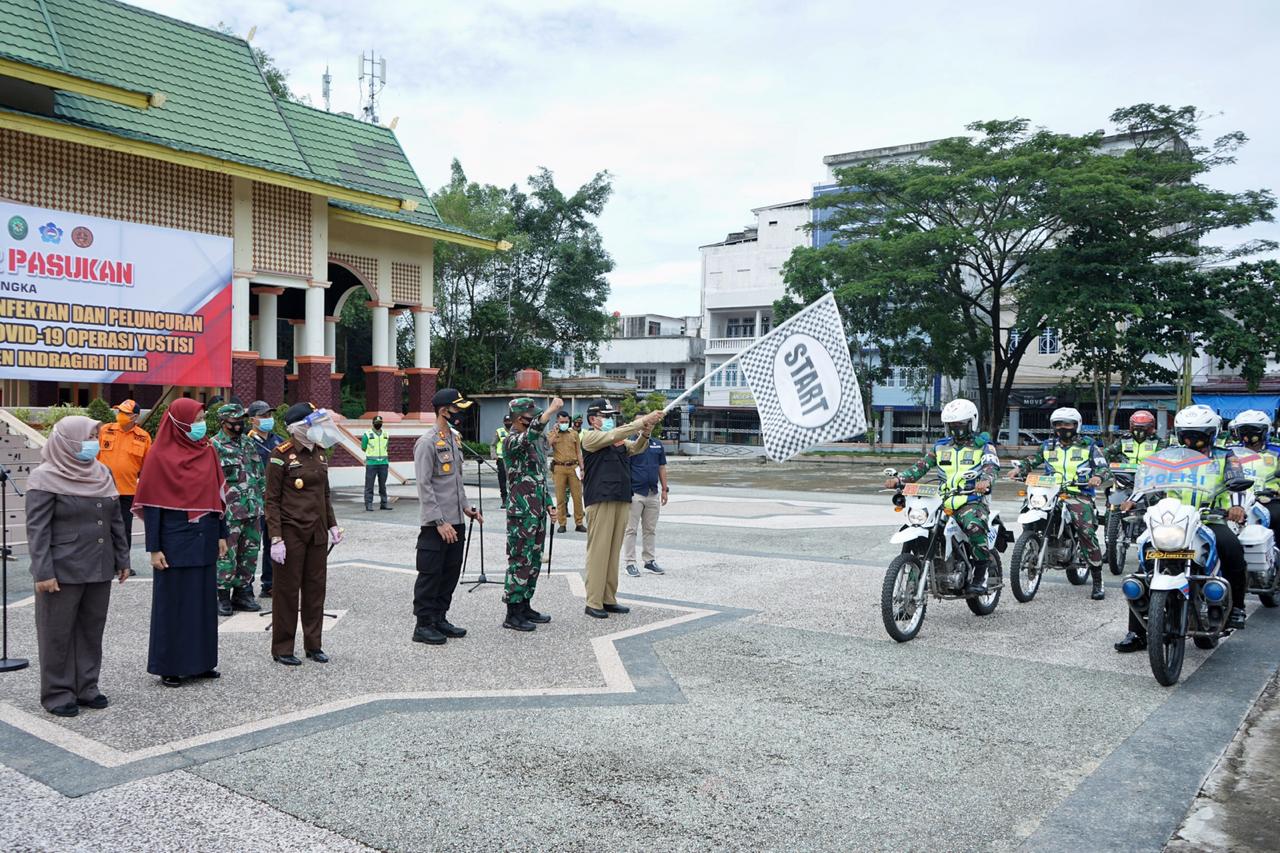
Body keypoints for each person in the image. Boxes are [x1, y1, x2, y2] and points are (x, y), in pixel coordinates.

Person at [1115, 405, 1250, 652]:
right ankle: (1137, 632)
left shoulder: (1225, 456)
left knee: (1232, 549)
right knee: (1146, 562)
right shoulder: (1169, 456)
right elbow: (1148, 480)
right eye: (1187, 434)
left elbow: (1236, 483)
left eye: (1199, 434)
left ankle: (1237, 608)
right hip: (1174, 519)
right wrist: (1133, 500)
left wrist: (1237, 507)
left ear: (1212, 434)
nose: (1191, 439)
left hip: (1210, 519)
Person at [25, 416, 130, 717]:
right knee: (56, 632)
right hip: (62, 568)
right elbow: (38, 530)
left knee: (91, 629)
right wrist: (43, 571)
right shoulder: (44, 477)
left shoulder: (102, 472)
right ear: (67, 441)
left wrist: (122, 558)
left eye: (95, 436)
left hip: (99, 564)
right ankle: (57, 693)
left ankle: (87, 686)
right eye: (89, 437)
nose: (94, 443)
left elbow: (115, 520)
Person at [134, 397, 227, 688]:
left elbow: (217, 497)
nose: (201, 425)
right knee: (172, 604)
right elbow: (153, 507)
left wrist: (221, 534)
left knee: (202, 604)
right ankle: (170, 665)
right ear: (179, 423)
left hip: (205, 537)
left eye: (202, 419)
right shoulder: (159, 456)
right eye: (196, 420)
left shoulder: (207, 451)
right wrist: (154, 548)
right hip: (174, 542)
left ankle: (202, 662)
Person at [885, 399, 1000, 595]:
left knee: (973, 526)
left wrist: (985, 481)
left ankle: (980, 576)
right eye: (951, 424)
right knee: (919, 524)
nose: (955, 428)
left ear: (971, 422)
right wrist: (900, 479)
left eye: (959, 423)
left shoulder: (983, 446)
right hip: (941, 499)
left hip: (970, 500)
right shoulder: (940, 446)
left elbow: (991, 467)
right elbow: (920, 467)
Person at [265, 403, 343, 665]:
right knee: (287, 592)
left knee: (315, 590)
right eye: (312, 423)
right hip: (291, 532)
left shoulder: (320, 453)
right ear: (298, 428)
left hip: (317, 532)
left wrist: (332, 525)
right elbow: (271, 500)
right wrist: (276, 537)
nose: (316, 428)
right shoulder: (281, 455)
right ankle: (283, 648)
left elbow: (325, 494)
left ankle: (314, 644)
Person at [1009, 407, 1112, 600]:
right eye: (1058, 424)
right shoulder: (1048, 446)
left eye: (1067, 424)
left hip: (1077, 493)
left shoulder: (1088, 445)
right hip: (1049, 492)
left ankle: (1098, 580)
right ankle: (1033, 543)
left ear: (1076, 425)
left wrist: (1097, 477)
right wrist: (1020, 469)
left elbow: (1103, 468)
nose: (1062, 428)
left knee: (1085, 531)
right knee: (1028, 510)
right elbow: (1032, 460)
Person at [580, 398, 665, 618]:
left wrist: (646, 432)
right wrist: (642, 421)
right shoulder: (590, 437)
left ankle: (608, 598)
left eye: (611, 417)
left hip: (620, 498)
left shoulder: (618, 441)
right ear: (593, 419)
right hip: (601, 500)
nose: (610, 420)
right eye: (606, 416)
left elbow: (636, 448)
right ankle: (593, 601)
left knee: (612, 553)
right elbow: (613, 435)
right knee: (599, 552)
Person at [412, 388, 483, 645]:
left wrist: (466, 508)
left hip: (456, 520)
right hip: (436, 525)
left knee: (450, 572)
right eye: (457, 409)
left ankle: (440, 617)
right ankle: (423, 625)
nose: (460, 413)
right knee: (431, 573)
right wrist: (439, 522)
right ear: (444, 411)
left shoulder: (453, 438)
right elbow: (424, 486)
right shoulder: (426, 442)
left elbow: (456, 480)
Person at [500, 396, 562, 631]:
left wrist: (549, 504)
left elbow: (539, 477)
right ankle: (512, 612)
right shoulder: (512, 441)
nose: (535, 419)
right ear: (518, 418)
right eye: (530, 416)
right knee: (520, 561)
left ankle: (525, 605)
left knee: (534, 560)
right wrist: (550, 411)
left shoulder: (534, 443)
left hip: (537, 511)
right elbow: (531, 433)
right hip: (521, 514)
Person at [211, 402, 264, 616]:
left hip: (252, 509)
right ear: (223, 422)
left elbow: (259, 473)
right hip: (229, 513)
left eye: (241, 420)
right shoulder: (214, 446)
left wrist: (264, 500)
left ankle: (243, 593)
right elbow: (210, 482)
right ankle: (222, 596)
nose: (239, 424)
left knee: (250, 553)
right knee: (226, 555)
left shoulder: (248, 443)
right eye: (235, 420)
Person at [96, 398, 151, 574]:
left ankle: (122, 565)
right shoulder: (105, 430)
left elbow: (147, 467)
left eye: (125, 413)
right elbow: (93, 458)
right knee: (102, 528)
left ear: (135, 416)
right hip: (103, 489)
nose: (120, 415)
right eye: (119, 411)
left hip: (127, 491)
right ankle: (103, 563)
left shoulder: (143, 437)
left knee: (123, 530)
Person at [623, 418, 669, 577]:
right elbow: (625, 468)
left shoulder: (657, 444)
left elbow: (662, 467)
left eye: (648, 424)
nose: (646, 426)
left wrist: (665, 489)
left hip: (652, 492)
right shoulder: (630, 444)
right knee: (631, 529)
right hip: (635, 492)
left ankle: (649, 560)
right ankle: (630, 562)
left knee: (650, 529)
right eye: (642, 423)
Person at [246, 401, 282, 597]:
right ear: (252, 420)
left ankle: (270, 584)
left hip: (273, 501)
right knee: (250, 545)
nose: (268, 419)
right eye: (263, 416)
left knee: (273, 541)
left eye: (269, 415)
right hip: (253, 501)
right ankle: (245, 587)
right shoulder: (247, 442)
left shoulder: (279, 441)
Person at [1225, 409, 1280, 530]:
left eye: (1254, 430)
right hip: (1233, 500)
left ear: (1265, 430)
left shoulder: (1277, 451)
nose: (1248, 434)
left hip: (1268, 500)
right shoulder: (1228, 451)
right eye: (1244, 430)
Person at [549, 410, 587, 534]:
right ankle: (562, 524)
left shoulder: (574, 434)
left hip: (573, 467)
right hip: (559, 468)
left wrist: (582, 468)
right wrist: (555, 433)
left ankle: (579, 523)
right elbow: (547, 446)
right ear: (557, 421)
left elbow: (578, 452)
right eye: (562, 422)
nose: (564, 423)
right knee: (560, 498)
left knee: (577, 496)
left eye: (566, 421)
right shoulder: (552, 433)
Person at [362, 415, 392, 512]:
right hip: (371, 463)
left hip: (384, 463)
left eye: (380, 423)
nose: (378, 424)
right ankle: (368, 504)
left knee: (383, 485)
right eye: (377, 423)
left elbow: (386, 446)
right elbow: (363, 447)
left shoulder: (386, 434)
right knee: (369, 485)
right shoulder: (367, 434)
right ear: (373, 423)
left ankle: (384, 504)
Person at [494, 415, 512, 509]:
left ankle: (513, 500)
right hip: (501, 459)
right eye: (506, 421)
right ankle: (504, 500)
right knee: (502, 481)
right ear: (504, 422)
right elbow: (493, 445)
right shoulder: (499, 431)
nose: (508, 423)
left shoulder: (516, 430)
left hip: (513, 459)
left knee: (513, 480)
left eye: (509, 421)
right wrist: (494, 455)